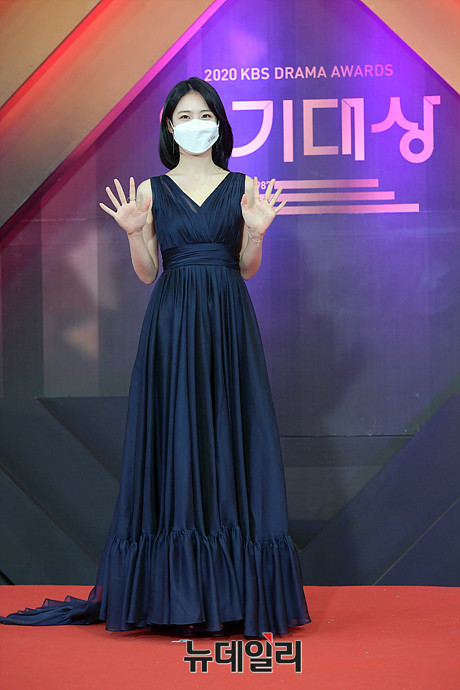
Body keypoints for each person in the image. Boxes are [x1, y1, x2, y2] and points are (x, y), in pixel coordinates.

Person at [1, 77, 310, 638]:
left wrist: (258, 233)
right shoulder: (150, 189)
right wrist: (132, 232)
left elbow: (246, 268)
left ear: (220, 123)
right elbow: (148, 272)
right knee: (178, 435)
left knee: (231, 431)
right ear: (169, 126)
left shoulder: (244, 186)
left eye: (205, 114)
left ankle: (234, 593)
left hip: (228, 320)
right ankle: (179, 594)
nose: (196, 124)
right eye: (184, 116)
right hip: (173, 322)